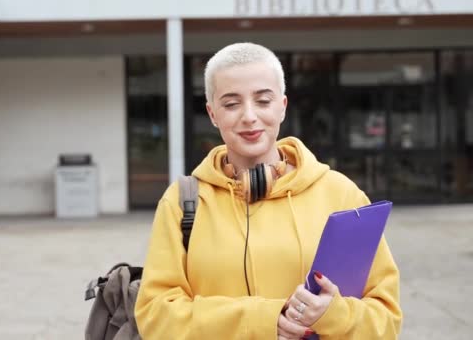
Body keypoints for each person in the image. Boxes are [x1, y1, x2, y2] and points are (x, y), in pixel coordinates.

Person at [134, 43, 402, 339]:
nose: (249, 116)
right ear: (212, 113)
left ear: (283, 106)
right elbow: (155, 316)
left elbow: (386, 320)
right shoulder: (182, 201)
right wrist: (260, 321)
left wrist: (333, 315)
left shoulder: (340, 195)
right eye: (231, 103)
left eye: (263, 101)